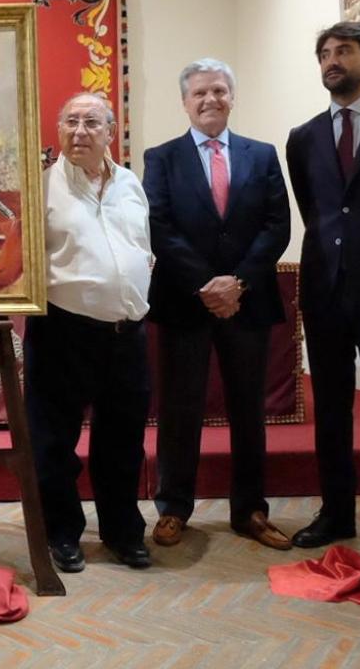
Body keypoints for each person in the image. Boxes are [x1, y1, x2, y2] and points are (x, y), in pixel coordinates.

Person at [144, 57, 293, 551]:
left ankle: (250, 510)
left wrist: (238, 283)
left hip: (248, 303)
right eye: (200, 93)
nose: (210, 100)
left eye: (219, 91)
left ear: (232, 97)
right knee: (179, 407)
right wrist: (207, 284)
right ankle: (173, 508)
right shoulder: (161, 158)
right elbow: (158, 226)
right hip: (184, 301)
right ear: (185, 102)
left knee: (249, 409)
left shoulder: (262, 154)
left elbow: (277, 225)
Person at [26, 92, 154, 572]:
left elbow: (141, 246)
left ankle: (122, 532)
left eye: (91, 123)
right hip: (63, 330)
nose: (80, 131)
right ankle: (61, 533)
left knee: (123, 440)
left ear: (110, 133)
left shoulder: (131, 184)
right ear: (59, 130)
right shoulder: (42, 187)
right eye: (71, 122)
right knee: (54, 441)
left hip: (127, 333)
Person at [284, 22, 360, 556]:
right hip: (325, 289)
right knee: (330, 408)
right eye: (324, 53)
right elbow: (315, 211)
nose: (331, 61)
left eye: (343, 51)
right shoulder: (303, 138)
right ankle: (336, 514)